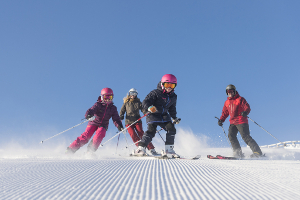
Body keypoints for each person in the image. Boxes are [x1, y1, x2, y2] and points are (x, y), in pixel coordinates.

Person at [134, 74, 181, 157]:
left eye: (172, 85)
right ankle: (141, 148)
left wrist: (174, 117)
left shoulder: (174, 96)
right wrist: (149, 107)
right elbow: (145, 102)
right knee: (151, 131)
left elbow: (172, 108)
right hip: (153, 114)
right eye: (167, 85)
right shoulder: (155, 93)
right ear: (162, 84)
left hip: (164, 116)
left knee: (171, 129)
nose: (169, 87)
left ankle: (169, 150)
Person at [66, 88, 124, 154]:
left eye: (110, 97)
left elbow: (116, 119)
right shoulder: (98, 104)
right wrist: (89, 115)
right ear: (102, 97)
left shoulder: (113, 108)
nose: (108, 99)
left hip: (103, 125)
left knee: (100, 133)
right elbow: (91, 110)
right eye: (106, 97)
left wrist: (119, 126)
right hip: (93, 122)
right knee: (86, 137)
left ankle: (90, 151)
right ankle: (70, 149)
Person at [218, 84, 263, 158]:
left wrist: (245, 112)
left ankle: (257, 152)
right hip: (232, 122)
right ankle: (238, 153)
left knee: (245, 137)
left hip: (241, 121)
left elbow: (247, 107)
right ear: (227, 93)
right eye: (228, 91)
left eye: (232, 91)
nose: (230, 93)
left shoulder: (240, 99)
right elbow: (225, 113)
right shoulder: (227, 102)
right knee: (231, 136)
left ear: (235, 91)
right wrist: (221, 120)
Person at [119, 88, 159, 155]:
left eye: (135, 93)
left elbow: (143, 109)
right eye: (132, 93)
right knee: (133, 134)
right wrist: (121, 116)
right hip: (128, 121)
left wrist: (146, 113)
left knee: (141, 133)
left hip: (137, 121)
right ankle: (139, 148)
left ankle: (151, 148)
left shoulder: (138, 102)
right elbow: (122, 111)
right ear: (129, 94)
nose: (133, 95)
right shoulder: (126, 103)